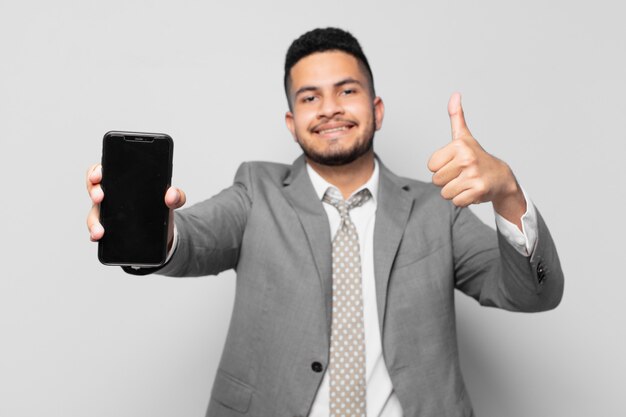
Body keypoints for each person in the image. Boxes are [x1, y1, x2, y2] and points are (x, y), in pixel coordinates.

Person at [86, 28, 563, 417]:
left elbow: (533, 293)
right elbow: (193, 239)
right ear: (292, 123)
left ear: (376, 110)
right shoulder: (257, 191)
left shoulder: (437, 209)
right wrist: (155, 228)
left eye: (347, 91)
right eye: (310, 97)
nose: (330, 108)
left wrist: (507, 195)